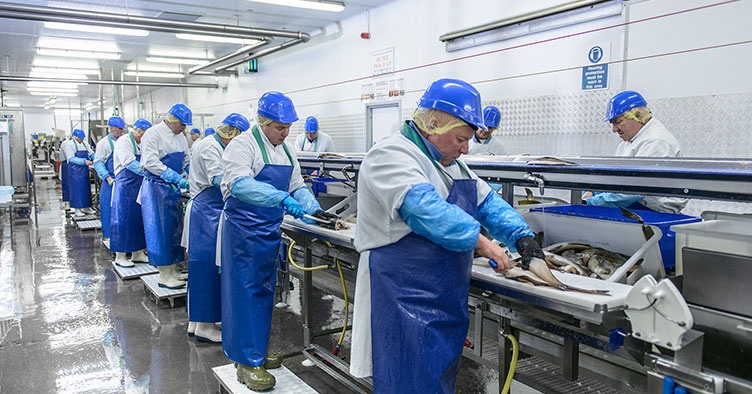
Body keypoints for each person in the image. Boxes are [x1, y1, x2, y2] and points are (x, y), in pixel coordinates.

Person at [349, 78, 545, 394]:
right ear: (434, 126)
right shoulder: (392, 154)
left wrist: (522, 237)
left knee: (438, 377)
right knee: (407, 377)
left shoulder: (451, 163)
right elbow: (423, 210)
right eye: (460, 139)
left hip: (444, 292)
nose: (466, 148)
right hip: (402, 292)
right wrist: (482, 243)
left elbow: (487, 202)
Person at [219, 92, 337, 391]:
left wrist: (313, 209)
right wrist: (280, 198)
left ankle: (256, 350)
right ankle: (246, 363)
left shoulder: (285, 151)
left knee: (264, 293)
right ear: (263, 123)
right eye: (280, 128)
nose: (286, 134)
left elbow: (297, 184)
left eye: (288, 128)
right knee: (244, 295)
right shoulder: (243, 145)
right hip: (243, 233)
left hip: (268, 231)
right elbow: (239, 184)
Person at [182, 113, 248, 344]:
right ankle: (205, 327)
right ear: (232, 134)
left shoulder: (213, 144)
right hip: (206, 213)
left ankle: (197, 321)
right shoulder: (210, 147)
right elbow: (221, 179)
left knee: (203, 267)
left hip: (211, 210)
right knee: (208, 267)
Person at [583, 91, 687, 213]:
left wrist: (591, 202)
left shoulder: (656, 141)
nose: (614, 129)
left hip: (652, 213)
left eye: (618, 122)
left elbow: (635, 190)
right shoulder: (629, 142)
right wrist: (594, 190)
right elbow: (616, 180)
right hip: (633, 206)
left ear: (638, 115)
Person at [140, 103, 191, 289]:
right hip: (156, 188)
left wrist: (188, 172)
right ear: (172, 120)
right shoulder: (153, 134)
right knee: (160, 230)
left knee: (174, 229)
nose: (184, 128)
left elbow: (186, 159)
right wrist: (172, 176)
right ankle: (164, 274)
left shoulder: (181, 137)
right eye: (182, 124)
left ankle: (173, 269)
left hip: (173, 189)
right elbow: (150, 161)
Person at [111, 118, 151, 267]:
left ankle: (138, 253)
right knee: (123, 219)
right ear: (137, 132)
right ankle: (120, 255)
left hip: (139, 186)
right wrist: (148, 171)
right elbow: (128, 162)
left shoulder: (140, 144)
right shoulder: (123, 141)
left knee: (138, 219)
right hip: (125, 187)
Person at [93, 116, 125, 249]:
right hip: (110, 182)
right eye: (120, 129)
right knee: (109, 210)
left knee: (123, 213)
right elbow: (98, 163)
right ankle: (110, 239)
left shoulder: (124, 141)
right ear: (112, 129)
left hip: (123, 182)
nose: (122, 132)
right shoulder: (103, 144)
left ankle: (124, 239)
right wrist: (108, 178)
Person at [62, 128, 96, 216]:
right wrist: (84, 161)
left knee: (86, 189)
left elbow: (90, 152)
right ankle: (77, 209)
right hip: (74, 171)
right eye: (80, 138)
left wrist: (96, 158)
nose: (82, 140)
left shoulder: (85, 144)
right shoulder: (69, 144)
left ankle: (86, 207)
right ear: (75, 138)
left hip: (84, 171)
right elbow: (71, 158)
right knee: (76, 189)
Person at [59, 134, 74, 210]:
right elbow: (70, 157)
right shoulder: (66, 144)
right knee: (67, 185)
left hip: (76, 166)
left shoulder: (81, 143)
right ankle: (67, 203)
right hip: (66, 165)